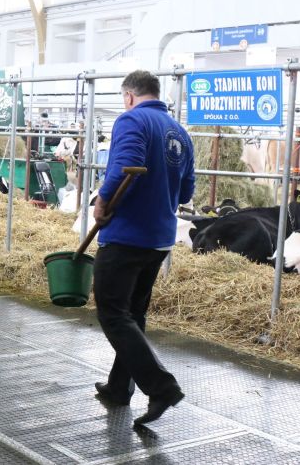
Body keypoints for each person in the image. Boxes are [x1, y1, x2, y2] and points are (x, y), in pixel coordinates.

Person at [92, 70, 195, 426]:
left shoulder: (131, 119)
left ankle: (161, 387)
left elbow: (123, 168)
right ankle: (119, 387)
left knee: (112, 313)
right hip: (159, 240)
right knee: (132, 315)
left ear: (129, 96)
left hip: (125, 236)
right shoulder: (179, 132)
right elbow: (186, 193)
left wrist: (103, 201)